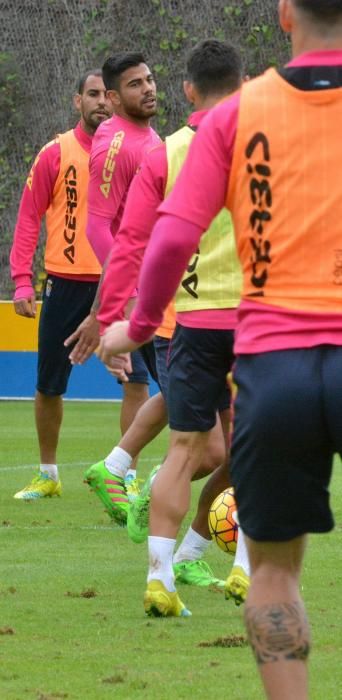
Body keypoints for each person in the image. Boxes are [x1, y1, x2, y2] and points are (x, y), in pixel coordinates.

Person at [97, 1, 342, 697]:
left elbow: (170, 240)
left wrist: (138, 326)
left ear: (285, 13)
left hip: (270, 361)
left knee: (272, 573)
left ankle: (167, 566)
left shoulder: (235, 116)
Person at [96, 39, 250, 612]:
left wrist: (118, 321)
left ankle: (160, 576)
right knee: (253, 451)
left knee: (184, 450)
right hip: (261, 323)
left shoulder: (166, 154)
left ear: (188, 89)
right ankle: (245, 569)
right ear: (246, 84)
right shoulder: (267, 144)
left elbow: (134, 242)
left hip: (193, 323)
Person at [10, 69, 113, 500]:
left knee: (138, 380)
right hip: (65, 285)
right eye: (92, 95)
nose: (101, 102)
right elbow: (29, 215)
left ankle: (123, 478)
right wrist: (21, 281)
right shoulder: (55, 152)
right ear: (77, 101)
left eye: (106, 95)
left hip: (118, 282)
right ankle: (49, 473)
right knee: (50, 383)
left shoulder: (131, 151)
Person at [65, 52, 161, 513]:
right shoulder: (116, 144)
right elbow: (99, 228)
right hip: (149, 297)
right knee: (197, 400)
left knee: (188, 398)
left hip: (163, 287)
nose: (147, 88)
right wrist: (121, 305)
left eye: (149, 79)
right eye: (135, 84)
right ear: (113, 97)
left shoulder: (146, 134)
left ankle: (124, 472)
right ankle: (130, 477)